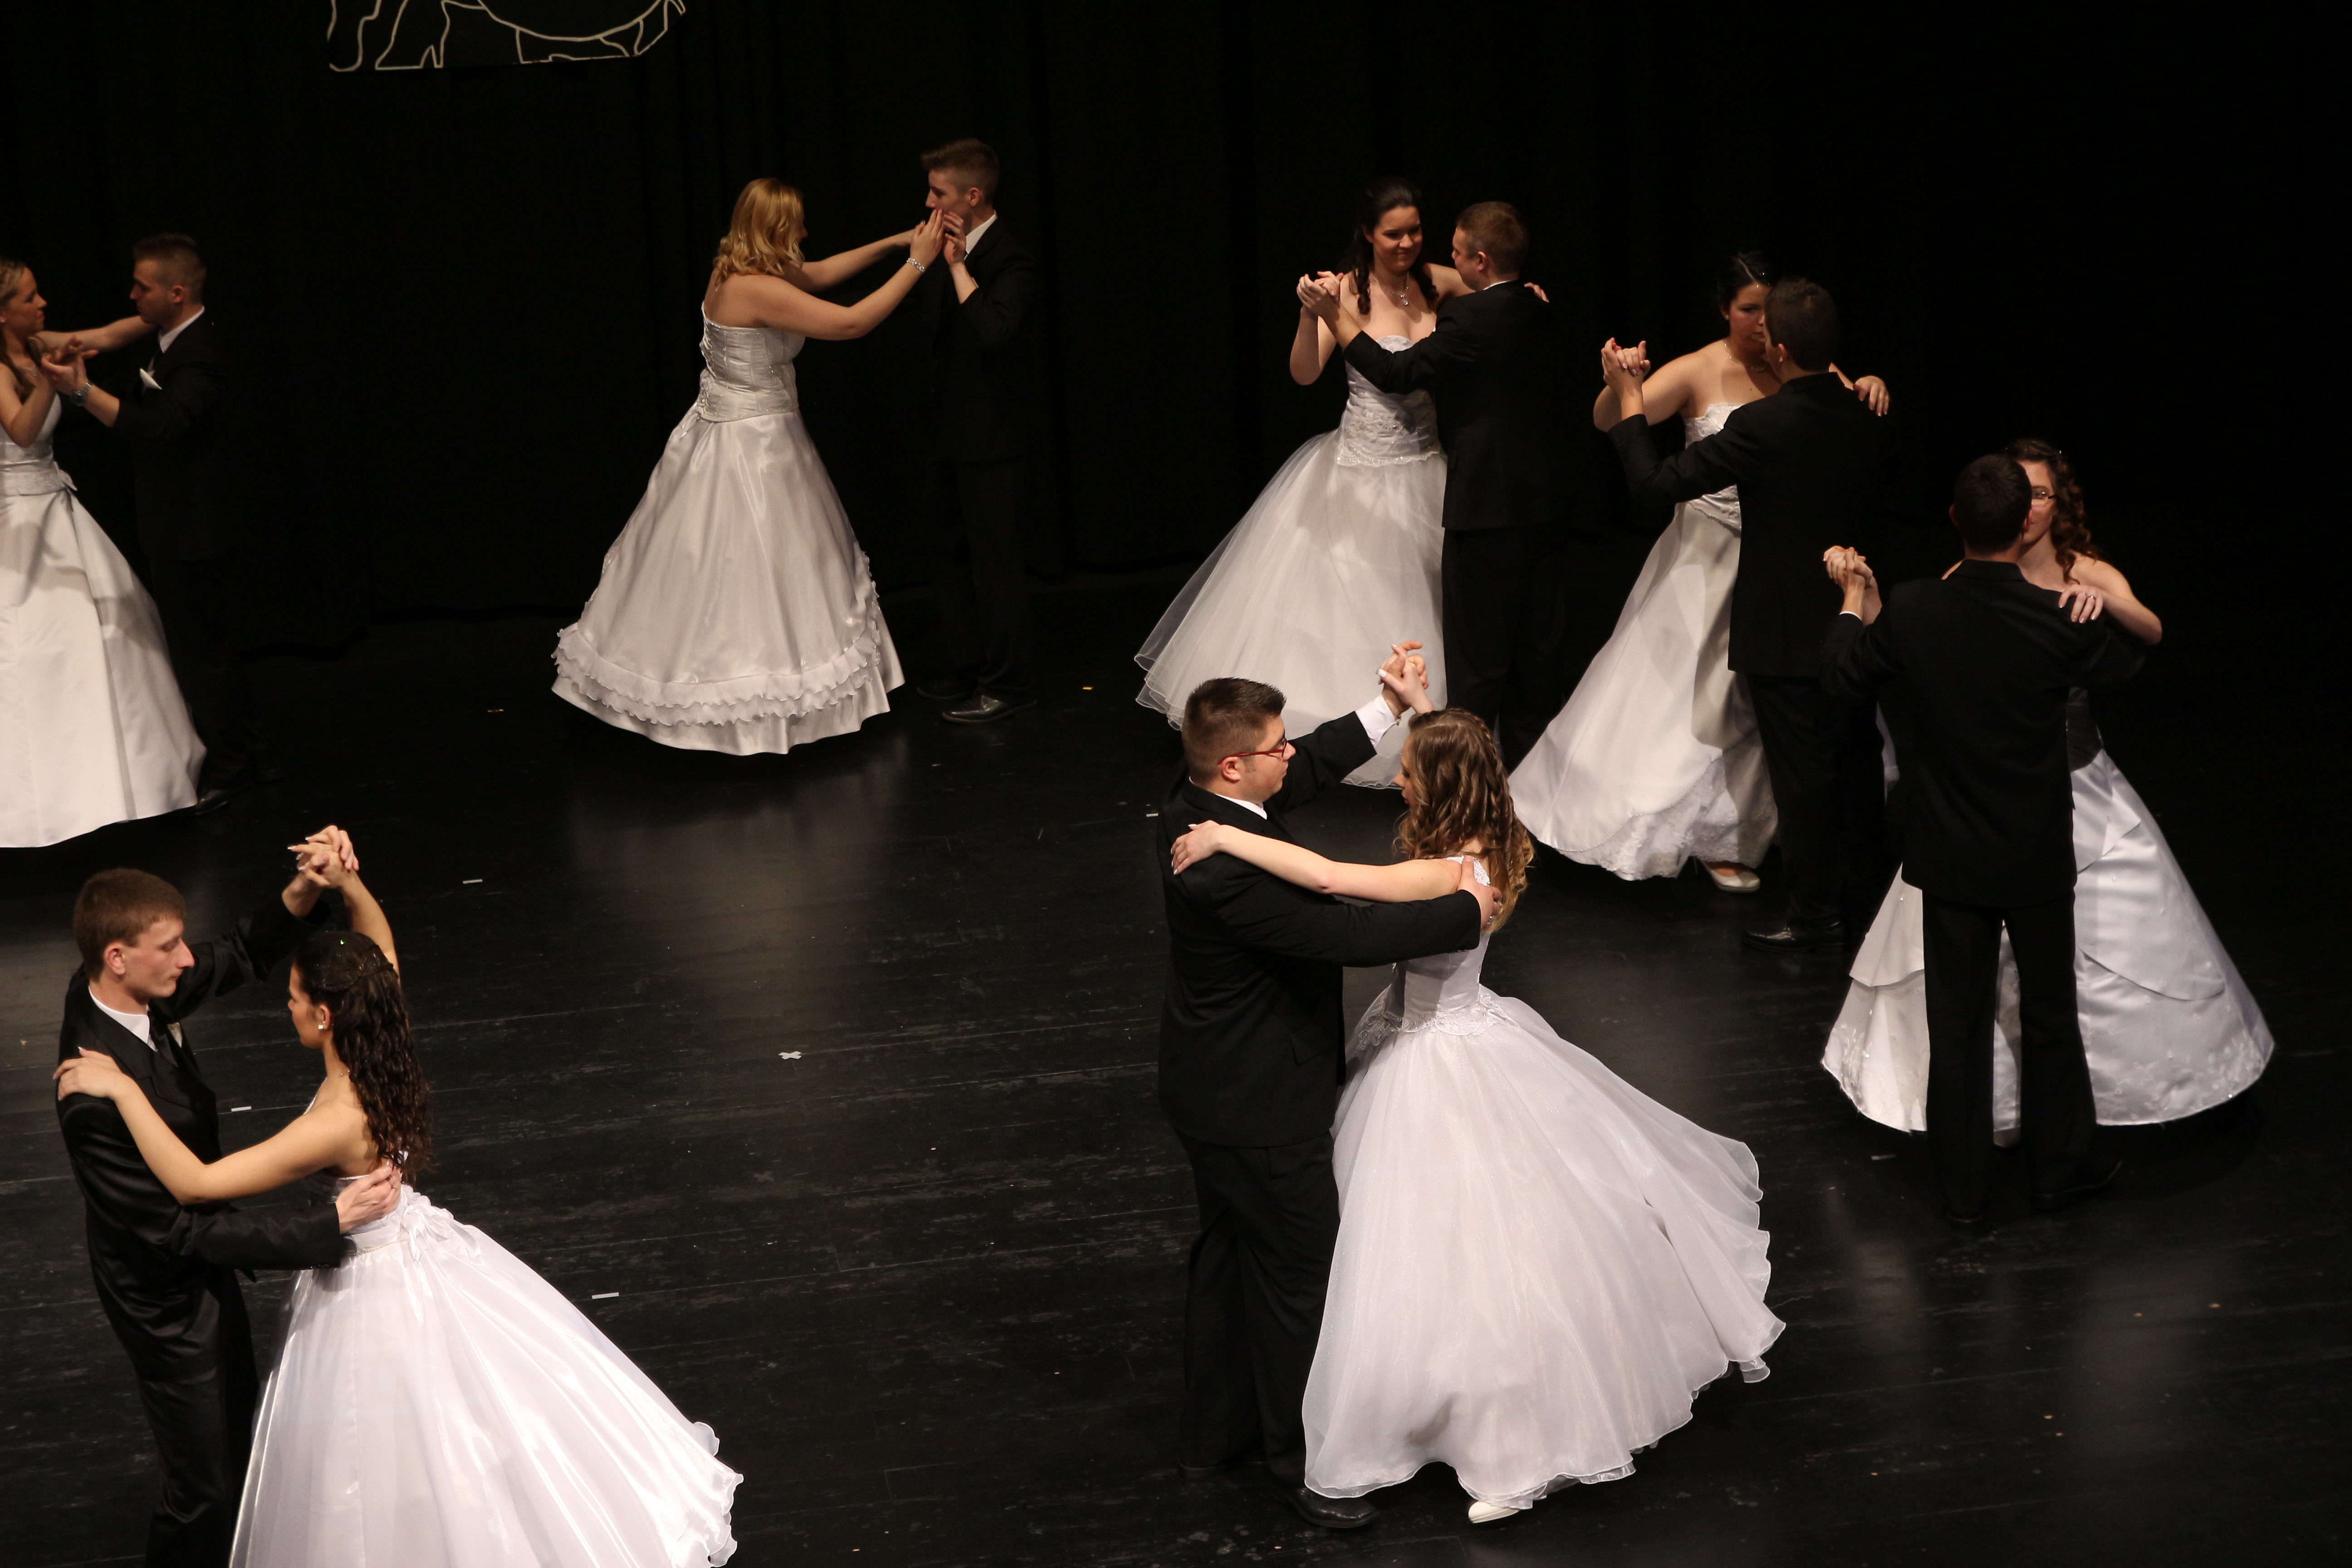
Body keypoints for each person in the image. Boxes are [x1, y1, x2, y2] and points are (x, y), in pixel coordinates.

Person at [1169, 708, 1782, 1525]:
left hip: (1435, 1056)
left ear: (1442, 786)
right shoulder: (1483, 838)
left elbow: (1326, 880)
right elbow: (1441, 766)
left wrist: (1226, 836)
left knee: (1466, 1251)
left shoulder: (1446, 874)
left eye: (1409, 771)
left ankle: (1513, 1437)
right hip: (1432, 1030)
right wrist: (1413, 708)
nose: (1396, 780)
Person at [55, 848, 742, 1567]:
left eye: (294, 999)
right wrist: (346, 883)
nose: (285, 1006)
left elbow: (198, 1185)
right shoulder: (384, 1038)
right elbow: (378, 950)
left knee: (375, 1441)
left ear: (325, 1016)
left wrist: (126, 1090)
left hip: (367, 1278)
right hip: (413, 1249)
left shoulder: (333, 1121)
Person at [1825, 441, 2269, 1137]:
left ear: (2056, 506)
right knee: (2020, 994)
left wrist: (2102, 603)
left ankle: (2034, 1142)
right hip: (2004, 802)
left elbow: (2147, 634)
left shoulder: (2080, 576)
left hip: (2062, 789)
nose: (2031, 508)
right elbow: (1926, 642)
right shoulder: (1966, 581)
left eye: (2041, 495)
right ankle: (2044, 1153)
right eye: (2022, 495)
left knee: (2050, 987)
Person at [1158, 650, 1495, 1530]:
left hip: (1208, 1089)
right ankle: (1307, 1464)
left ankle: (1213, 1433)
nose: (1294, 755)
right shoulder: (1224, 872)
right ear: (1235, 765)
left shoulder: (1200, 804)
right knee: (1300, 1279)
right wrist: (1472, 908)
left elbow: (1306, 768)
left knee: (1228, 1258)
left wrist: (1387, 708)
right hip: (1260, 1106)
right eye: (1278, 746)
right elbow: (1346, 935)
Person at [53, 831, 401, 1568]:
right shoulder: (94, 1098)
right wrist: (324, 1224)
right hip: (165, 1299)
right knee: (203, 1487)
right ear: (117, 957)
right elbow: (179, 1229)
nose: (188, 960)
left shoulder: (131, 991)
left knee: (239, 1445)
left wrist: (308, 890)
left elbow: (240, 951)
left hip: (204, 1262)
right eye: (170, 947)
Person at [1818, 456, 2146, 1231]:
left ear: (1955, 519)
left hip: (1950, 853)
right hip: (2034, 851)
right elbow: (2128, 668)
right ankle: (2055, 1175)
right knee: (2049, 1014)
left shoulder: (1914, 606)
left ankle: (1963, 1194)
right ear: (2024, 524)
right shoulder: (2053, 616)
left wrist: (1850, 601)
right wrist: (2090, 607)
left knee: (1958, 1025)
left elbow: (1840, 677)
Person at [1511, 253, 1890, 891]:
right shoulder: (1698, 368)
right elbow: (1609, 421)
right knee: (1698, 704)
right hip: (1706, 557)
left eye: (1769, 312)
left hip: (1783, 566)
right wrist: (1623, 385)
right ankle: (1695, 831)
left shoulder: (1805, 365)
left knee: (1773, 708)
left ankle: (1753, 835)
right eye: (1749, 310)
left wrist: (1872, 382)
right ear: (1724, 310)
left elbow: (1842, 408)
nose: (1761, 324)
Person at [554, 179, 943, 753]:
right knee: (753, 575)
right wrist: (918, 263)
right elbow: (852, 323)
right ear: (776, 230)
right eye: (798, 225)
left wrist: (892, 243)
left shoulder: (732, 271)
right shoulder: (755, 289)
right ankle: (746, 710)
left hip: (740, 433)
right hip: (754, 447)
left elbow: (819, 273)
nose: (806, 233)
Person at [1599, 277, 1901, 947]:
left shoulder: (1762, 425)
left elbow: (1653, 485)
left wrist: (1630, 399)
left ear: (1780, 349)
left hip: (1784, 627)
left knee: (1802, 779)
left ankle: (1815, 914)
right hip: (1857, 614)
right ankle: (1872, 903)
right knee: (1856, 763)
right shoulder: (1869, 414)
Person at [1138, 178, 1460, 786]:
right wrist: (1313, 313)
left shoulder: (1437, 281)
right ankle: (1353, 729)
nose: (1407, 243)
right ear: (1367, 233)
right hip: (1360, 471)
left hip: (1426, 463)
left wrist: (1522, 291)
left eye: (1415, 231)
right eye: (1393, 234)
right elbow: (1305, 373)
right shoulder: (1343, 290)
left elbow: (1492, 295)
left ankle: (1436, 728)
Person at [1303, 201, 1573, 767]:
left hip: (1480, 502)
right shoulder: (1540, 309)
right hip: (1541, 500)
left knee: (1478, 657)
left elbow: (1397, 373)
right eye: (1395, 234)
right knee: (1536, 653)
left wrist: (1337, 318)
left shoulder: (1466, 313)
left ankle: (1466, 776)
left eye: (1452, 249)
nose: (1429, 252)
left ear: (1479, 260)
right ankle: (1526, 774)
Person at [38, 235, 272, 813]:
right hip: (181, 525)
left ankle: (233, 766)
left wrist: (82, 392)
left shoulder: (200, 354)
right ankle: (249, 752)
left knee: (202, 653)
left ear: (176, 292)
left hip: (197, 532)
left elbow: (163, 426)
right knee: (208, 647)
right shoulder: (167, 337)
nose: (132, 295)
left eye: (142, 287)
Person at [2, 254, 204, 845]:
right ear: (2, 312)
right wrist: (53, 379)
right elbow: (20, 431)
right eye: (30, 297)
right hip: (17, 519)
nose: (43, 304)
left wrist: (174, 311)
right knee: (40, 646)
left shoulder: (39, 344)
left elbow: (113, 334)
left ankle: (131, 784)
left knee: (114, 631)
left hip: (58, 505)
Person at [910, 138, 1044, 724]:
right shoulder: (941, 247)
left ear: (972, 196)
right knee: (949, 556)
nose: (928, 202)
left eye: (937, 192)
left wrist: (959, 267)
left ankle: (1009, 683)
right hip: (948, 432)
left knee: (996, 566)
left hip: (992, 440)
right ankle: (965, 665)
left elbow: (993, 331)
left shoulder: (1011, 258)